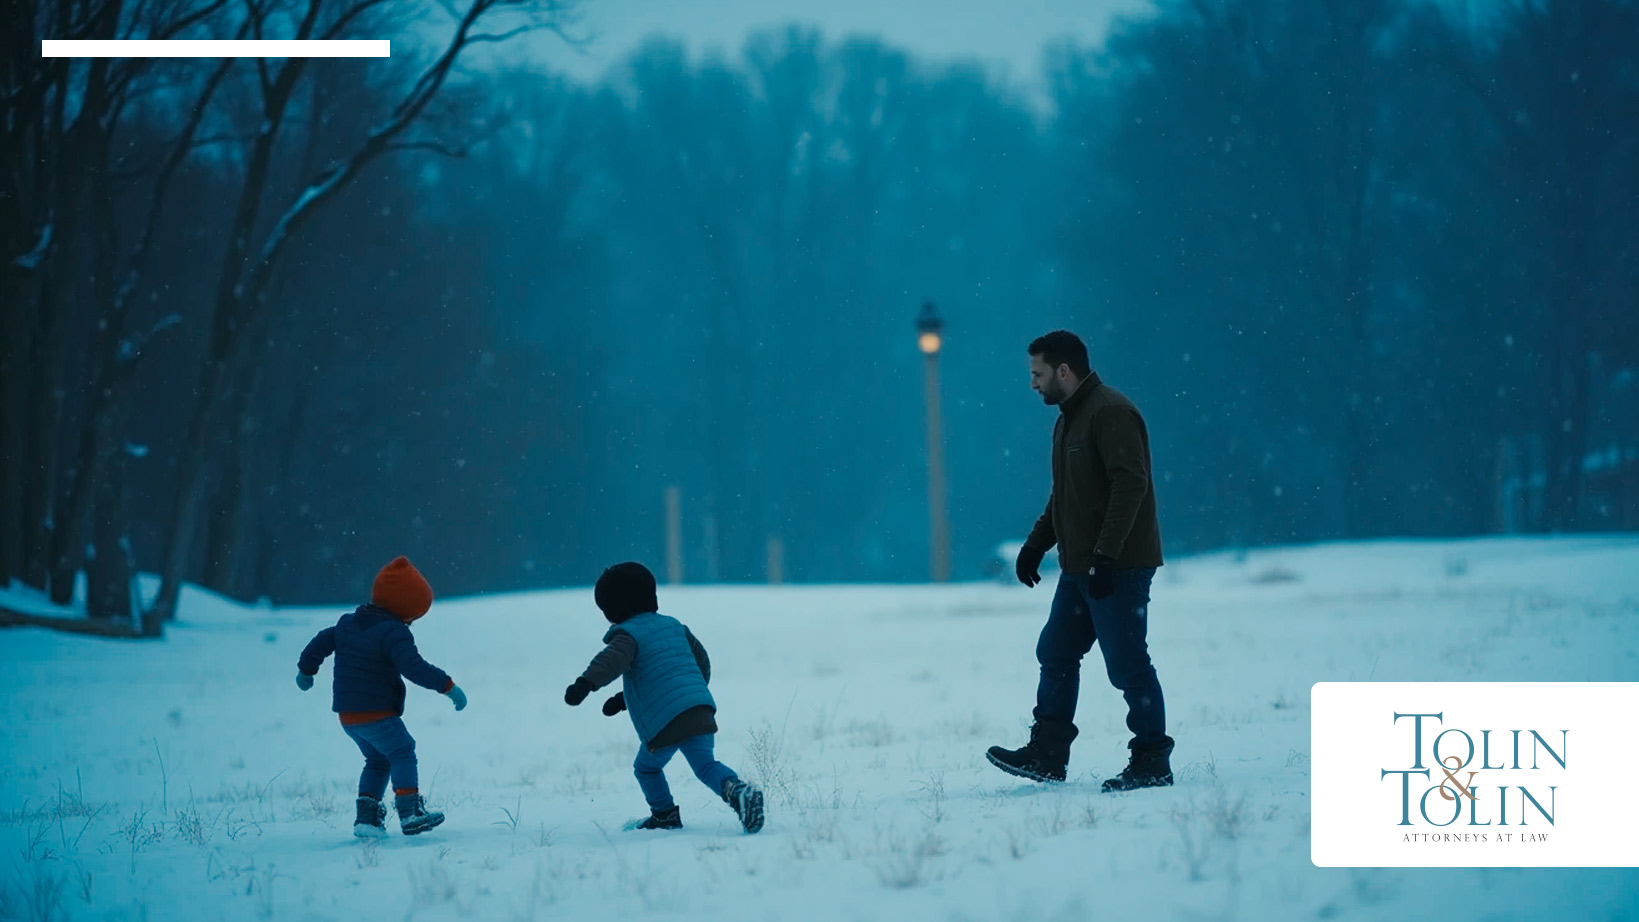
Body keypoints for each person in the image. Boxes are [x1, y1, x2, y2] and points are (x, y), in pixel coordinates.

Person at [986, 331, 1175, 792]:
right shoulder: (1069, 419)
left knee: (1127, 664)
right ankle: (1048, 753)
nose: (1032, 384)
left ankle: (1152, 760)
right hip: (1080, 567)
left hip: (1118, 567)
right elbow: (1066, 495)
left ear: (1063, 371)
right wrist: (1036, 545)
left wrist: (1106, 557)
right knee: (1056, 651)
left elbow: (1130, 486)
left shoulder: (1110, 412)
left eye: (1037, 374)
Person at [565, 562, 765, 833]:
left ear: (613, 610)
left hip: (666, 723)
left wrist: (584, 684)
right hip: (699, 709)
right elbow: (698, 663)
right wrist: (630, 699)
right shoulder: (675, 627)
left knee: (646, 769)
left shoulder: (628, 636)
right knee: (706, 765)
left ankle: (664, 815)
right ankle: (738, 791)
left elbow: (610, 662)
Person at [296, 556, 467, 836]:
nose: (413, 620)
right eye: (414, 613)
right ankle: (410, 812)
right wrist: (448, 686)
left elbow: (320, 642)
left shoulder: (347, 624)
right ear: (404, 608)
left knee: (378, 760)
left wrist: (306, 671)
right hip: (376, 712)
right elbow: (414, 667)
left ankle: (367, 819)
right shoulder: (393, 632)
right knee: (402, 750)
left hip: (349, 716)